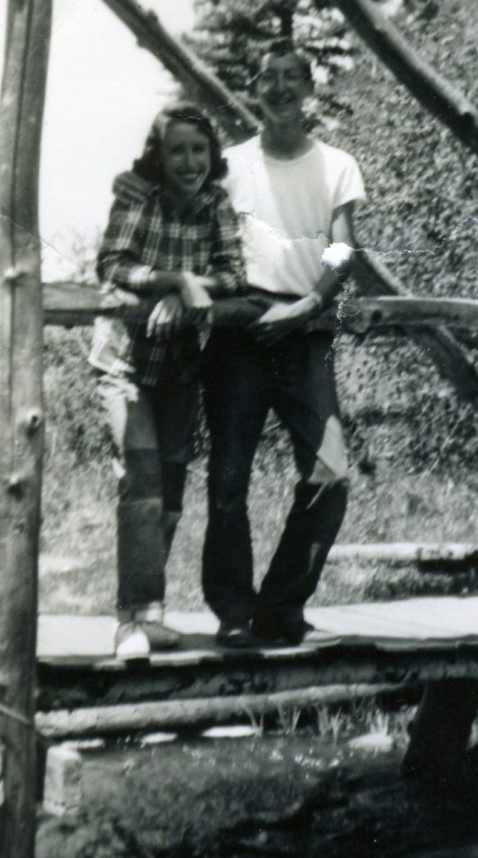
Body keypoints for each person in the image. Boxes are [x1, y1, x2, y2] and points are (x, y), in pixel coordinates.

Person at [115, 40, 365, 648]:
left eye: (291, 76)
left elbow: (343, 248)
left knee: (330, 474)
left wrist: (309, 305)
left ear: (309, 88)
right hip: (237, 334)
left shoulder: (337, 165)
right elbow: (192, 240)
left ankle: (280, 608)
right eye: (267, 77)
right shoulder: (228, 163)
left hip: (305, 331)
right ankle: (232, 612)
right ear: (254, 89)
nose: (279, 87)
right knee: (228, 482)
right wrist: (177, 290)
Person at [90, 103, 246, 660]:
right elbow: (112, 264)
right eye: (176, 150)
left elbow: (233, 273)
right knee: (142, 479)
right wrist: (175, 280)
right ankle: (127, 622)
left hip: (178, 366)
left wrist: (189, 292)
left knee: (172, 487)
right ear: (158, 156)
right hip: (125, 361)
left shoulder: (215, 203)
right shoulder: (138, 194)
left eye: (198, 150)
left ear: (212, 155)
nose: (189, 162)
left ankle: (151, 614)